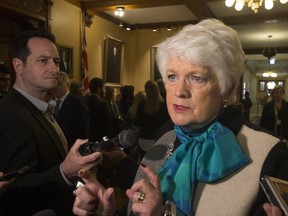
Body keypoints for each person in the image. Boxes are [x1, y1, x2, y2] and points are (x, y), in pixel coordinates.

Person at [72, 19, 288, 216]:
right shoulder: (165, 137)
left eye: (197, 78)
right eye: (172, 76)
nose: (179, 91)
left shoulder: (271, 154)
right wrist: (106, 211)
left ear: (227, 89)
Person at [0, 30, 102, 215]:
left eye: (55, 61)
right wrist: (65, 171)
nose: (55, 69)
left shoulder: (41, 107)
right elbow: (15, 191)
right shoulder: (10, 114)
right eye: (43, 60)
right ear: (18, 66)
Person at [51, 71, 90, 148]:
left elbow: (83, 132)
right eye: (53, 84)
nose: (55, 87)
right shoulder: (50, 103)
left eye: (58, 84)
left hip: (72, 149)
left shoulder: (77, 103)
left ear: (67, 85)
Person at [134, 80, 170, 154]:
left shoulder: (142, 104)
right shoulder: (164, 105)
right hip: (159, 139)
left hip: (144, 139)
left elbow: (137, 123)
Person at [85, 77, 113, 141]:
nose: (105, 91)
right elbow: (107, 127)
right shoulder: (103, 104)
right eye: (104, 88)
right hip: (100, 141)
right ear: (99, 89)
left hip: (86, 140)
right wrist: (106, 140)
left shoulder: (83, 101)